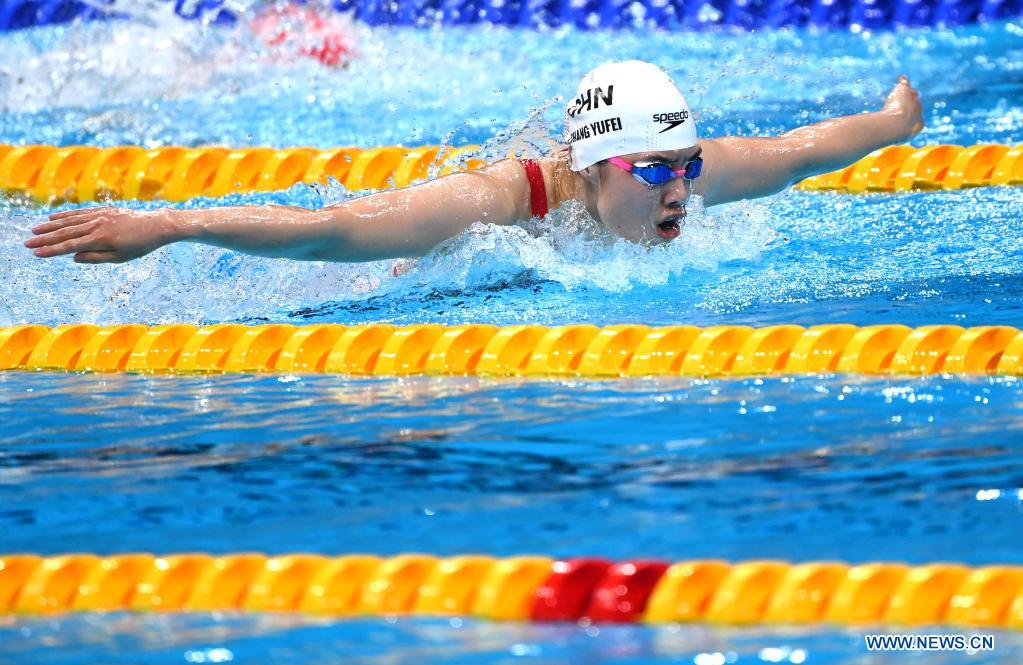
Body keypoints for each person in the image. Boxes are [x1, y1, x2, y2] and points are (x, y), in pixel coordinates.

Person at [25, 60, 923, 265]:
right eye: (655, 171)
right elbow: (340, 227)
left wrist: (890, 123)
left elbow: (799, 151)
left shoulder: (687, 175)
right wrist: (174, 222)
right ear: (596, 165)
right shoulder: (498, 201)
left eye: (685, 164)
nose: (681, 187)